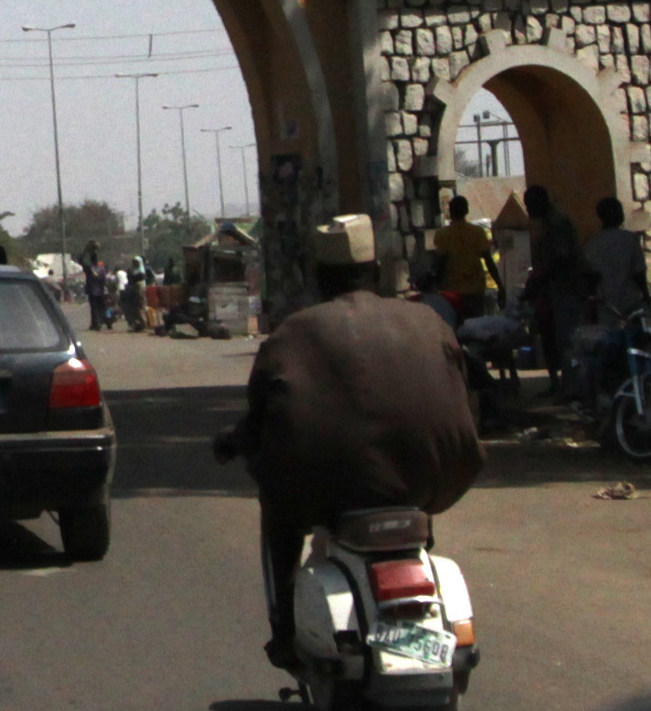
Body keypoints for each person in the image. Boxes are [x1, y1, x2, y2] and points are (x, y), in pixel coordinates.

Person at [213, 274, 483, 669]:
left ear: (321, 273)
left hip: (327, 487)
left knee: (279, 512)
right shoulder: (428, 321)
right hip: (430, 479)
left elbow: (260, 419)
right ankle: (422, 639)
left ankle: (286, 631)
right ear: (376, 271)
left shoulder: (293, 334)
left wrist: (230, 442)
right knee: (412, 498)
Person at [524, 185, 586, 372]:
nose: (528, 210)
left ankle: (574, 388)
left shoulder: (557, 225)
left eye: (530, 205)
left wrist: (538, 282)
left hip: (566, 289)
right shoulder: (549, 224)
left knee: (568, 340)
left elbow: (561, 259)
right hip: (556, 290)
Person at [582, 197, 650, 329]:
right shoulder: (630, 239)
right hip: (631, 303)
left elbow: (591, 277)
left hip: (606, 306)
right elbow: (639, 273)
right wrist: (646, 297)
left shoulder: (593, 244)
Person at [432, 193, 501, 315]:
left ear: (451, 212)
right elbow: (488, 261)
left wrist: (436, 287)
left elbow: (440, 263)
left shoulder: (442, 234)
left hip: (451, 291)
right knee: (475, 327)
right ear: (467, 211)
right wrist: (500, 286)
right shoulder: (478, 232)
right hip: (475, 290)